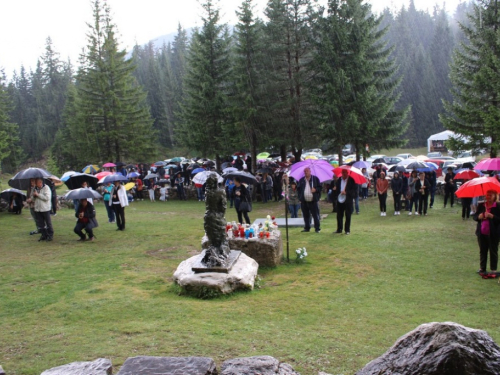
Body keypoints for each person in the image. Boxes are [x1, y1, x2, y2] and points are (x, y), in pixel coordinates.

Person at [473, 190, 500, 274]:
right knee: (483, 250)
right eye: (487, 195)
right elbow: (475, 216)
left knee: (493, 251)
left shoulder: (498, 206)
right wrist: (479, 217)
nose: (488, 197)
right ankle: (482, 268)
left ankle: (493, 269)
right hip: (482, 232)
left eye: (490, 195)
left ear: (495, 196)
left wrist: (492, 216)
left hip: (493, 233)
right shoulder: (482, 205)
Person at [297, 167, 322, 233]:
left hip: (313, 201)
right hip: (304, 201)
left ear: (310, 171)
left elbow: (320, 188)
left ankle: (317, 228)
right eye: (304, 171)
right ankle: (307, 228)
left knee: (315, 215)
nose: (306, 172)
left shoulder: (315, 179)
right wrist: (300, 197)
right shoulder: (302, 180)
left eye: (307, 171)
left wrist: (316, 189)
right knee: (306, 215)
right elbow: (299, 189)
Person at [335, 169, 356, 234]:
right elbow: (337, 190)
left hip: (348, 200)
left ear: (347, 173)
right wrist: (336, 191)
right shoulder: (339, 180)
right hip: (340, 200)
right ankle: (339, 229)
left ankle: (347, 230)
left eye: (345, 172)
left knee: (348, 215)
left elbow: (354, 191)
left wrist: (346, 192)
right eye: (343, 172)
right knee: (339, 215)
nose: (344, 174)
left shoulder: (351, 180)